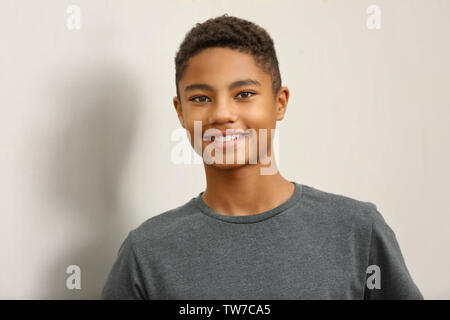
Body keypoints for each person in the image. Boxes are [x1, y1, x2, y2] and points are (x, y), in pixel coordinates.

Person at [101, 14, 423, 300]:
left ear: (279, 102)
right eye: (201, 97)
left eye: (244, 94)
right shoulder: (145, 253)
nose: (223, 113)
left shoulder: (357, 231)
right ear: (181, 112)